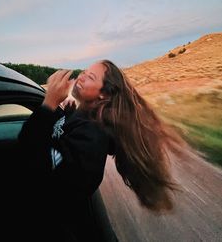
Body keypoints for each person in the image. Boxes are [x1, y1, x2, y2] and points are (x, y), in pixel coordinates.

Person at [16, 59, 185, 241]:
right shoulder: (76, 115)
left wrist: (49, 103)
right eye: (84, 72)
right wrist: (56, 108)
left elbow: (34, 157)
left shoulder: (93, 136)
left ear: (103, 95)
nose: (81, 76)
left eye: (90, 77)